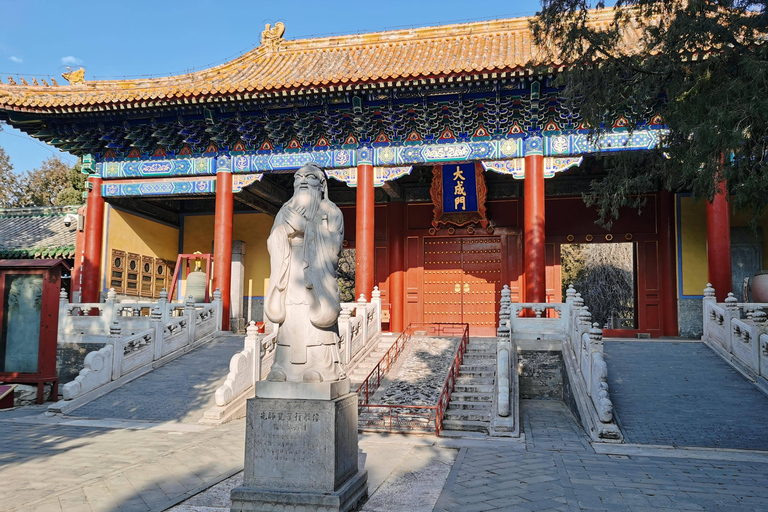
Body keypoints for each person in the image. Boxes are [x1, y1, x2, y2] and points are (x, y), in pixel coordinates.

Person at [264, 163, 345, 382]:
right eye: (298, 177)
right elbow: (272, 242)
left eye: (309, 177)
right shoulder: (285, 210)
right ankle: (283, 366)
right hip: (290, 274)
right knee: (290, 321)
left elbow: (334, 247)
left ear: (321, 185)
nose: (302, 180)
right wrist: (284, 232)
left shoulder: (331, 211)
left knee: (314, 326)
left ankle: (321, 367)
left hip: (316, 278)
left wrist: (306, 228)